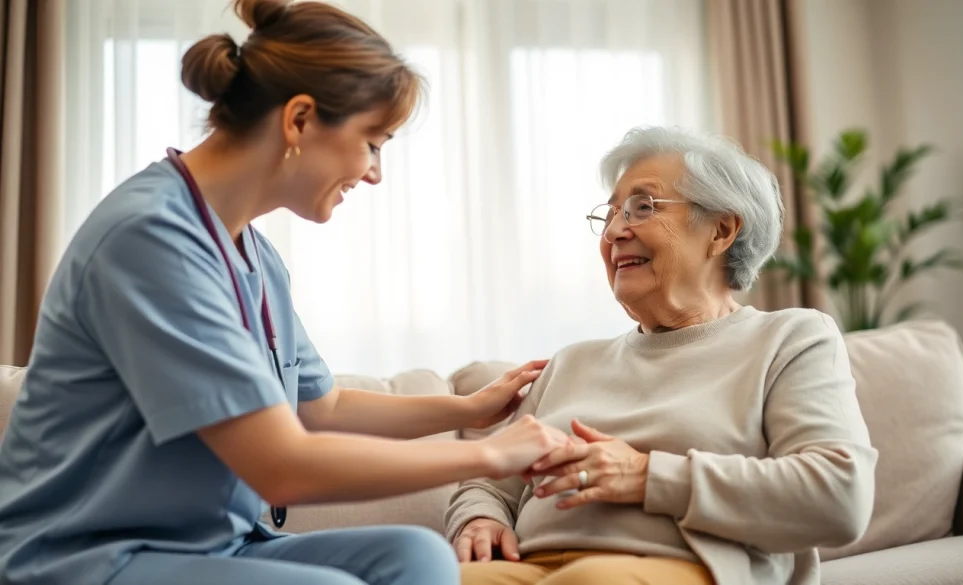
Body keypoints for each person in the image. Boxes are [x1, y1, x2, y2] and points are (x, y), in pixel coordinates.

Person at [0, 1, 568, 584]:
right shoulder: (150, 239)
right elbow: (280, 467)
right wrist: (489, 454)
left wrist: (468, 411)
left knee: (417, 557)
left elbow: (321, 407)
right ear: (298, 120)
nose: (375, 173)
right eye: (373, 142)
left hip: (214, 545)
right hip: (80, 556)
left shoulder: (254, 255)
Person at [445, 126, 879, 585]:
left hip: (685, 569)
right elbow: (490, 481)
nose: (614, 232)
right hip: (527, 567)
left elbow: (839, 497)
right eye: (610, 215)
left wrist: (646, 474)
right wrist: (479, 519)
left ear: (722, 229)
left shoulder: (789, 340)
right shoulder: (571, 363)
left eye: (641, 208)